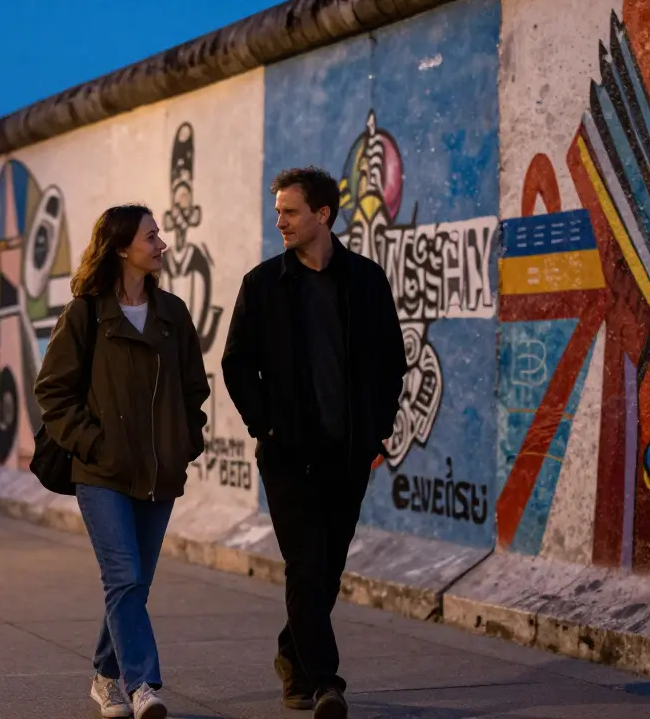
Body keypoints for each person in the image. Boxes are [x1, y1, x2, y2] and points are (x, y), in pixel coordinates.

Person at [222, 166, 405, 718]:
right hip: (286, 457)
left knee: (325, 571)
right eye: (277, 210)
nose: (279, 221)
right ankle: (325, 682)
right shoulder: (262, 285)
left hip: (347, 455)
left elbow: (392, 362)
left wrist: (376, 428)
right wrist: (266, 427)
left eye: (290, 211)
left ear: (323, 215)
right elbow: (236, 366)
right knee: (305, 567)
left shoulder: (366, 281)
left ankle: (290, 657)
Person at [35, 204, 210, 719]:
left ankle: (105, 677)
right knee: (125, 578)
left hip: (160, 473)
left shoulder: (173, 314)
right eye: (151, 237)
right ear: (120, 248)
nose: (161, 244)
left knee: (132, 584)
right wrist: (92, 444)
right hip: (101, 473)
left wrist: (185, 441)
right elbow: (53, 392)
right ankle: (142, 686)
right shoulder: (85, 313)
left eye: (159, 236)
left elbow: (193, 389)